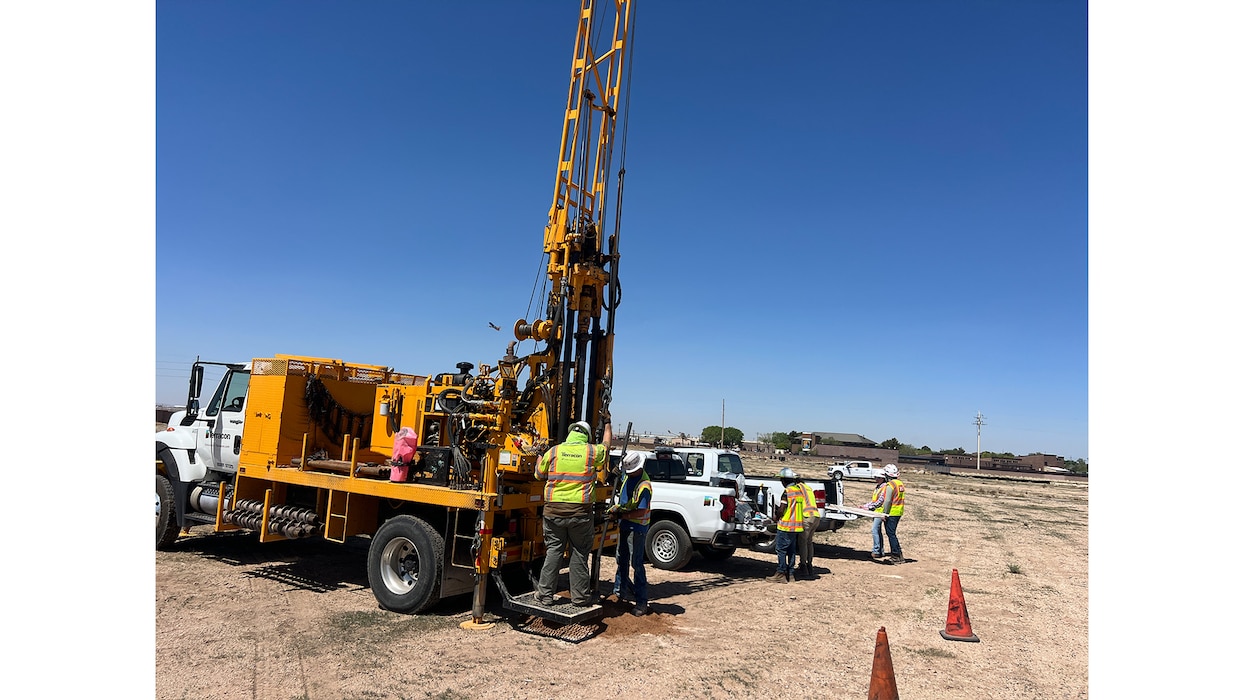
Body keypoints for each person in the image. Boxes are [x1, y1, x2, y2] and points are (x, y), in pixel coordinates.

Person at [534, 419, 612, 606]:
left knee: (554, 551)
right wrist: (607, 423)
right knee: (579, 553)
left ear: (570, 433)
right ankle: (579, 597)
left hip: (553, 511)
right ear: (586, 436)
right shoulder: (591, 452)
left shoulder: (554, 451)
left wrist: (539, 455)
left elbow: (538, 474)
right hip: (580, 513)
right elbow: (607, 445)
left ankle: (545, 595)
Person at [608, 451, 652, 616]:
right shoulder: (627, 476)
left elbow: (641, 512)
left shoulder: (644, 486)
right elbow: (622, 491)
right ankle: (619, 593)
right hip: (625, 524)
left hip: (637, 529)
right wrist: (614, 476)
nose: (628, 473)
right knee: (621, 559)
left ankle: (641, 601)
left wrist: (621, 515)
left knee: (636, 564)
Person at [767, 467, 806, 583]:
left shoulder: (787, 492)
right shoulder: (798, 491)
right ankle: (791, 574)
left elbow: (782, 509)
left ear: (784, 480)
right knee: (791, 551)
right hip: (796, 526)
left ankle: (781, 573)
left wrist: (776, 516)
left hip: (785, 526)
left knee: (781, 550)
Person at [861, 464, 905, 564]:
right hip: (898, 512)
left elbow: (887, 501)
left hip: (892, 512)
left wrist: (884, 513)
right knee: (892, 534)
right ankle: (899, 555)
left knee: (891, 534)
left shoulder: (890, 485)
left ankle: (896, 555)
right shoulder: (900, 484)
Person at [795, 474, 821, 579]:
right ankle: (810, 564)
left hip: (807, 516)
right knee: (809, 542)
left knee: (803, 542)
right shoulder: (808, 488)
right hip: (816, 516)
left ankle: (803, 566)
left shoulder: (798, 488)